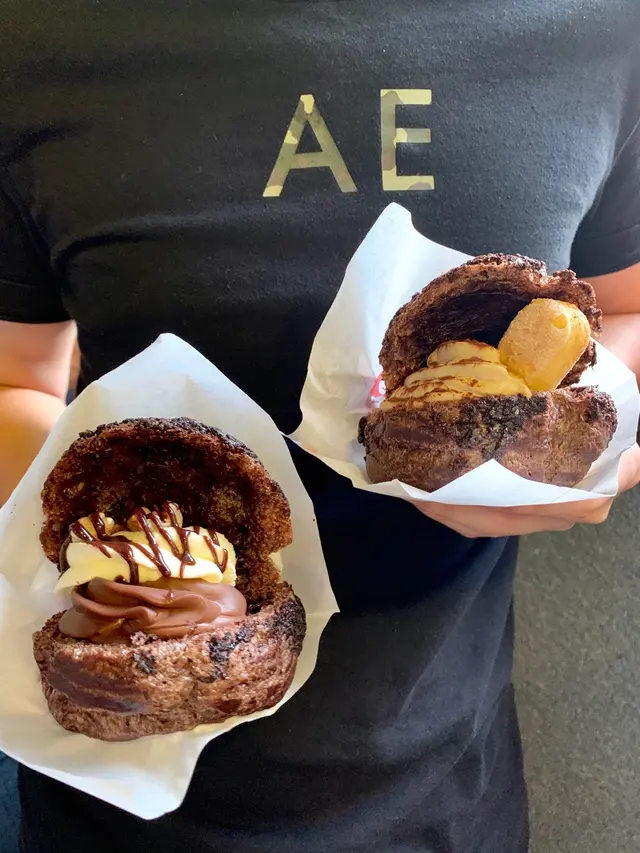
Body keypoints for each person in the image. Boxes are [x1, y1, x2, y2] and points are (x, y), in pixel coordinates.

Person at [1, 3, 639, 851]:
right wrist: (109, 561)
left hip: (445, 780)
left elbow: (622, 306)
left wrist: (581, 446)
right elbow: (16, 373)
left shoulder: (605, 29)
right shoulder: (31, 38)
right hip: (105, 769)